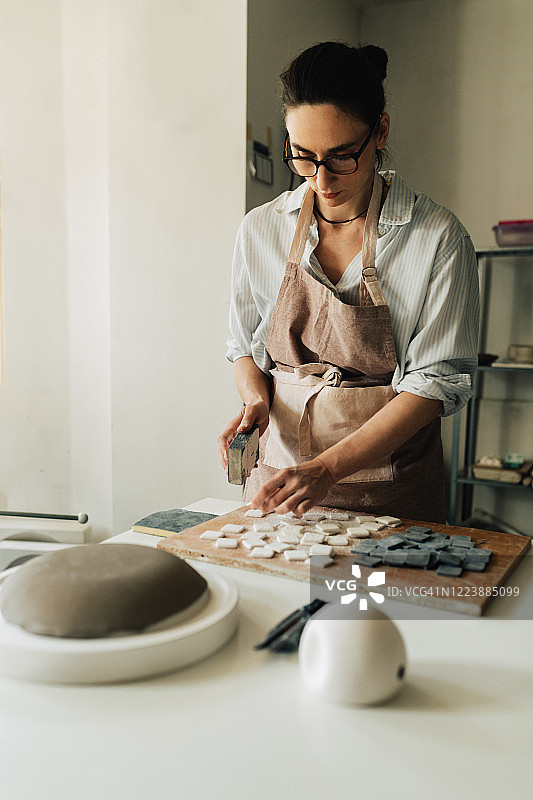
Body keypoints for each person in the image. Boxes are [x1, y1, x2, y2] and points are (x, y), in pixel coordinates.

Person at [219, 41, 478, 523]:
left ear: (379, 132)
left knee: (374, 600)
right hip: (280, 483)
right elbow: (244, 348)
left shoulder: (437, 238)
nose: (321, 179)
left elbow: (434, 385)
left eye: (341, 157)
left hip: (391, 495)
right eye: (302, 157)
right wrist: (255, 401)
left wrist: (326, 468)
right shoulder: (261, 229)